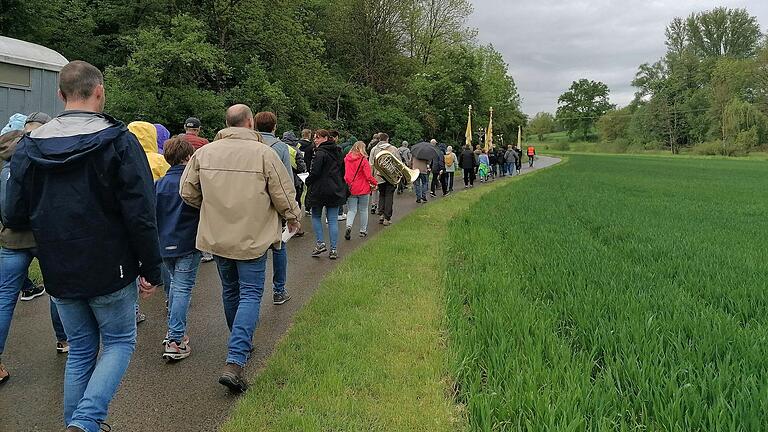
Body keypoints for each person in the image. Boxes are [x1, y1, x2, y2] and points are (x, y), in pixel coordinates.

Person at [5, 61, 162, 432]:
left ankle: (76, 424)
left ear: (61, 95)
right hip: (111, 266)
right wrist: (152, 268)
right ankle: (87, 421)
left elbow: (14, 213)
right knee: (120, 342)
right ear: (100, 92)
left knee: (80, 349)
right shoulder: (120, 141)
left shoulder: (28, 147)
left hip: (58, 265)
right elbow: (142, 213)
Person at [180, 104, 301, 393]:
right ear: (249, 123)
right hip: (252, 236)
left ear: (226, 123)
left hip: (218, 236)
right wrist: (293, 218)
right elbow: (284, 194)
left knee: (231, 290)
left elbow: (187, 191)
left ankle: (240, 342)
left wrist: (212, 209)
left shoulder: (204, 153)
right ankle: (235, 359)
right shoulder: (264, 154)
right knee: (250, 293)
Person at [0, 113, 70, 388]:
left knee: (5, 297)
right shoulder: (47, 152)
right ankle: (63, 340)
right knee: (57, 290)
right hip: (45, 235)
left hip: (11, 236)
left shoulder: (4, 153)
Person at [156, 136, 200, 361]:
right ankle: (175, 338)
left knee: (175, 285)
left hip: (164, 244)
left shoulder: (159, 184)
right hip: (187, 243)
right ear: (187, 157)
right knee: (182, 288)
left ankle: (173, 332)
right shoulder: (192, 183)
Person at [255, 112, 295, 305]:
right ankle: (279, 290)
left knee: (257, 247)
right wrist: (292, 211)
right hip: (274, 205)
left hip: (253, 204)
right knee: (279, 246)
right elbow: (286, 180)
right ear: (274, 126)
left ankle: (254, 291)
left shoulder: (251, 144)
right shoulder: (280, 147)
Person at [305, 129, 346, 259]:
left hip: (319, 190)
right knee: (333, 219)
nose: (315, 140)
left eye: (317, 138)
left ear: (324, 138)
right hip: (334, 189)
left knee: (316, 216)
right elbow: (342, 171)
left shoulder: (320, 153)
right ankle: (333, 249)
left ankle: (320, 243)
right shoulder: (339, 151)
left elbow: (315, 172)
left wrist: (307, 180)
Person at [344, 141, 377, 240]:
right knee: (363, 210)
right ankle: (363, 230)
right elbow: (368, 176)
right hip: (363, 188)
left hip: (350, 188)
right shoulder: (363, 160)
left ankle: (349, 226)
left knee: (351, 210)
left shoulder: (346, 159)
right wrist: (375, 183)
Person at [369, 133, 401, 226]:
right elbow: (398, 163)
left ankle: (381, 215)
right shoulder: (393, 149)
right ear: (387, 139)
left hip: (378, 177)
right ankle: (387, 218)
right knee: (389, 196)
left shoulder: (374, 149)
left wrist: (371, 178)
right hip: (391, 177)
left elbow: (371, 164)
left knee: (381, 195)